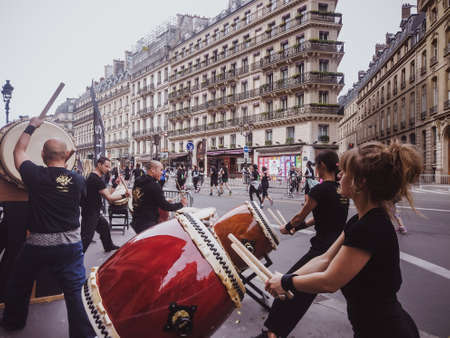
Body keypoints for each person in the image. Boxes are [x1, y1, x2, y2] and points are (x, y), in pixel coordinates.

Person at [266, 142, 422, 338]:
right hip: (369, 327)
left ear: (361, 181)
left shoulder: (370, 226)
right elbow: (323, 260)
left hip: (385, 330)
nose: (340, 176)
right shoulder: (358, 220)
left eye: (346, 172)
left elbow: (329, 282)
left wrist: (287, 282)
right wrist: (284, 279)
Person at [1, 117, 95, 337]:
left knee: (19, 283)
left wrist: (32, 126)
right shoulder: (79, 180)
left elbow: (18, 151)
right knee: (75, 293)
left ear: (43, 156)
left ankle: (14, 322)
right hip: (70, 246)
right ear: (67, 156)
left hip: (38, 245)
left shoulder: (35, 175)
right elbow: (66, 181)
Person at [256, 150, 349, 338]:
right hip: (337, 249)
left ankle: (272, 333)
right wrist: (297, 228)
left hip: (321, 251)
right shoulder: (341, 191)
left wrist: (288, 226)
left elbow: (302, 215)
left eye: (316, 165)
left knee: (288, 287)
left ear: (322, 166)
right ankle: (275, 332)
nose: (315, 168)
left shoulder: (318, 190)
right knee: (304, 295)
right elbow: (320, 217)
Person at [81, 156, 127, 253]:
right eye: (106, 166)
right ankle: (76, 258)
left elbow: (107, 193)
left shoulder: (94, 177)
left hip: (93, 211)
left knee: (104, 226)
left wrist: (115, 184)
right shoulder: (96, 180)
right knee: (86, 238)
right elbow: (110, 198)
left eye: (109, 167)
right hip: (91, 213)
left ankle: (108, 245)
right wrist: (125, 195)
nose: (108, 169)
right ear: (99, 165)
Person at [131, 160, 188, 234]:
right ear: (152, 170)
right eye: (161, 170)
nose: (162, 172)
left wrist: (161, 200)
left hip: (136, 220)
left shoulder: (138, 180)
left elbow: (145, 198)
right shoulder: (154, 185)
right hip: (148, 224)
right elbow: (165, 206)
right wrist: (181, 204)